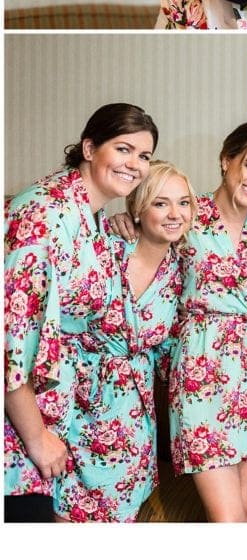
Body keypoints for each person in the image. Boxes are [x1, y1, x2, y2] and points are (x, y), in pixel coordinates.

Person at [110, 121, 247, 522]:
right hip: (202, 373)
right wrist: (128, 221)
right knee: (227, 518)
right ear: (226, 161)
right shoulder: (188, 211)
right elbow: (148, 229)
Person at [4, 103, 158, 522]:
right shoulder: (44, 215)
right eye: (123, 149)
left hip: (60, 413)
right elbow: (11, 341)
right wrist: (36, 438)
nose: (134, 165)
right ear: (90, 148)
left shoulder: (89, 213)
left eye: (144, 156)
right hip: (18, 430)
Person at [52, 161, 189, 521]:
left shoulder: (182, 271)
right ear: (138, 208)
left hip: (131, 417)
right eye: (161, 203)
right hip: (75, 403)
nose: (175, 213)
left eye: (184, 202)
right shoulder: (103, 249)